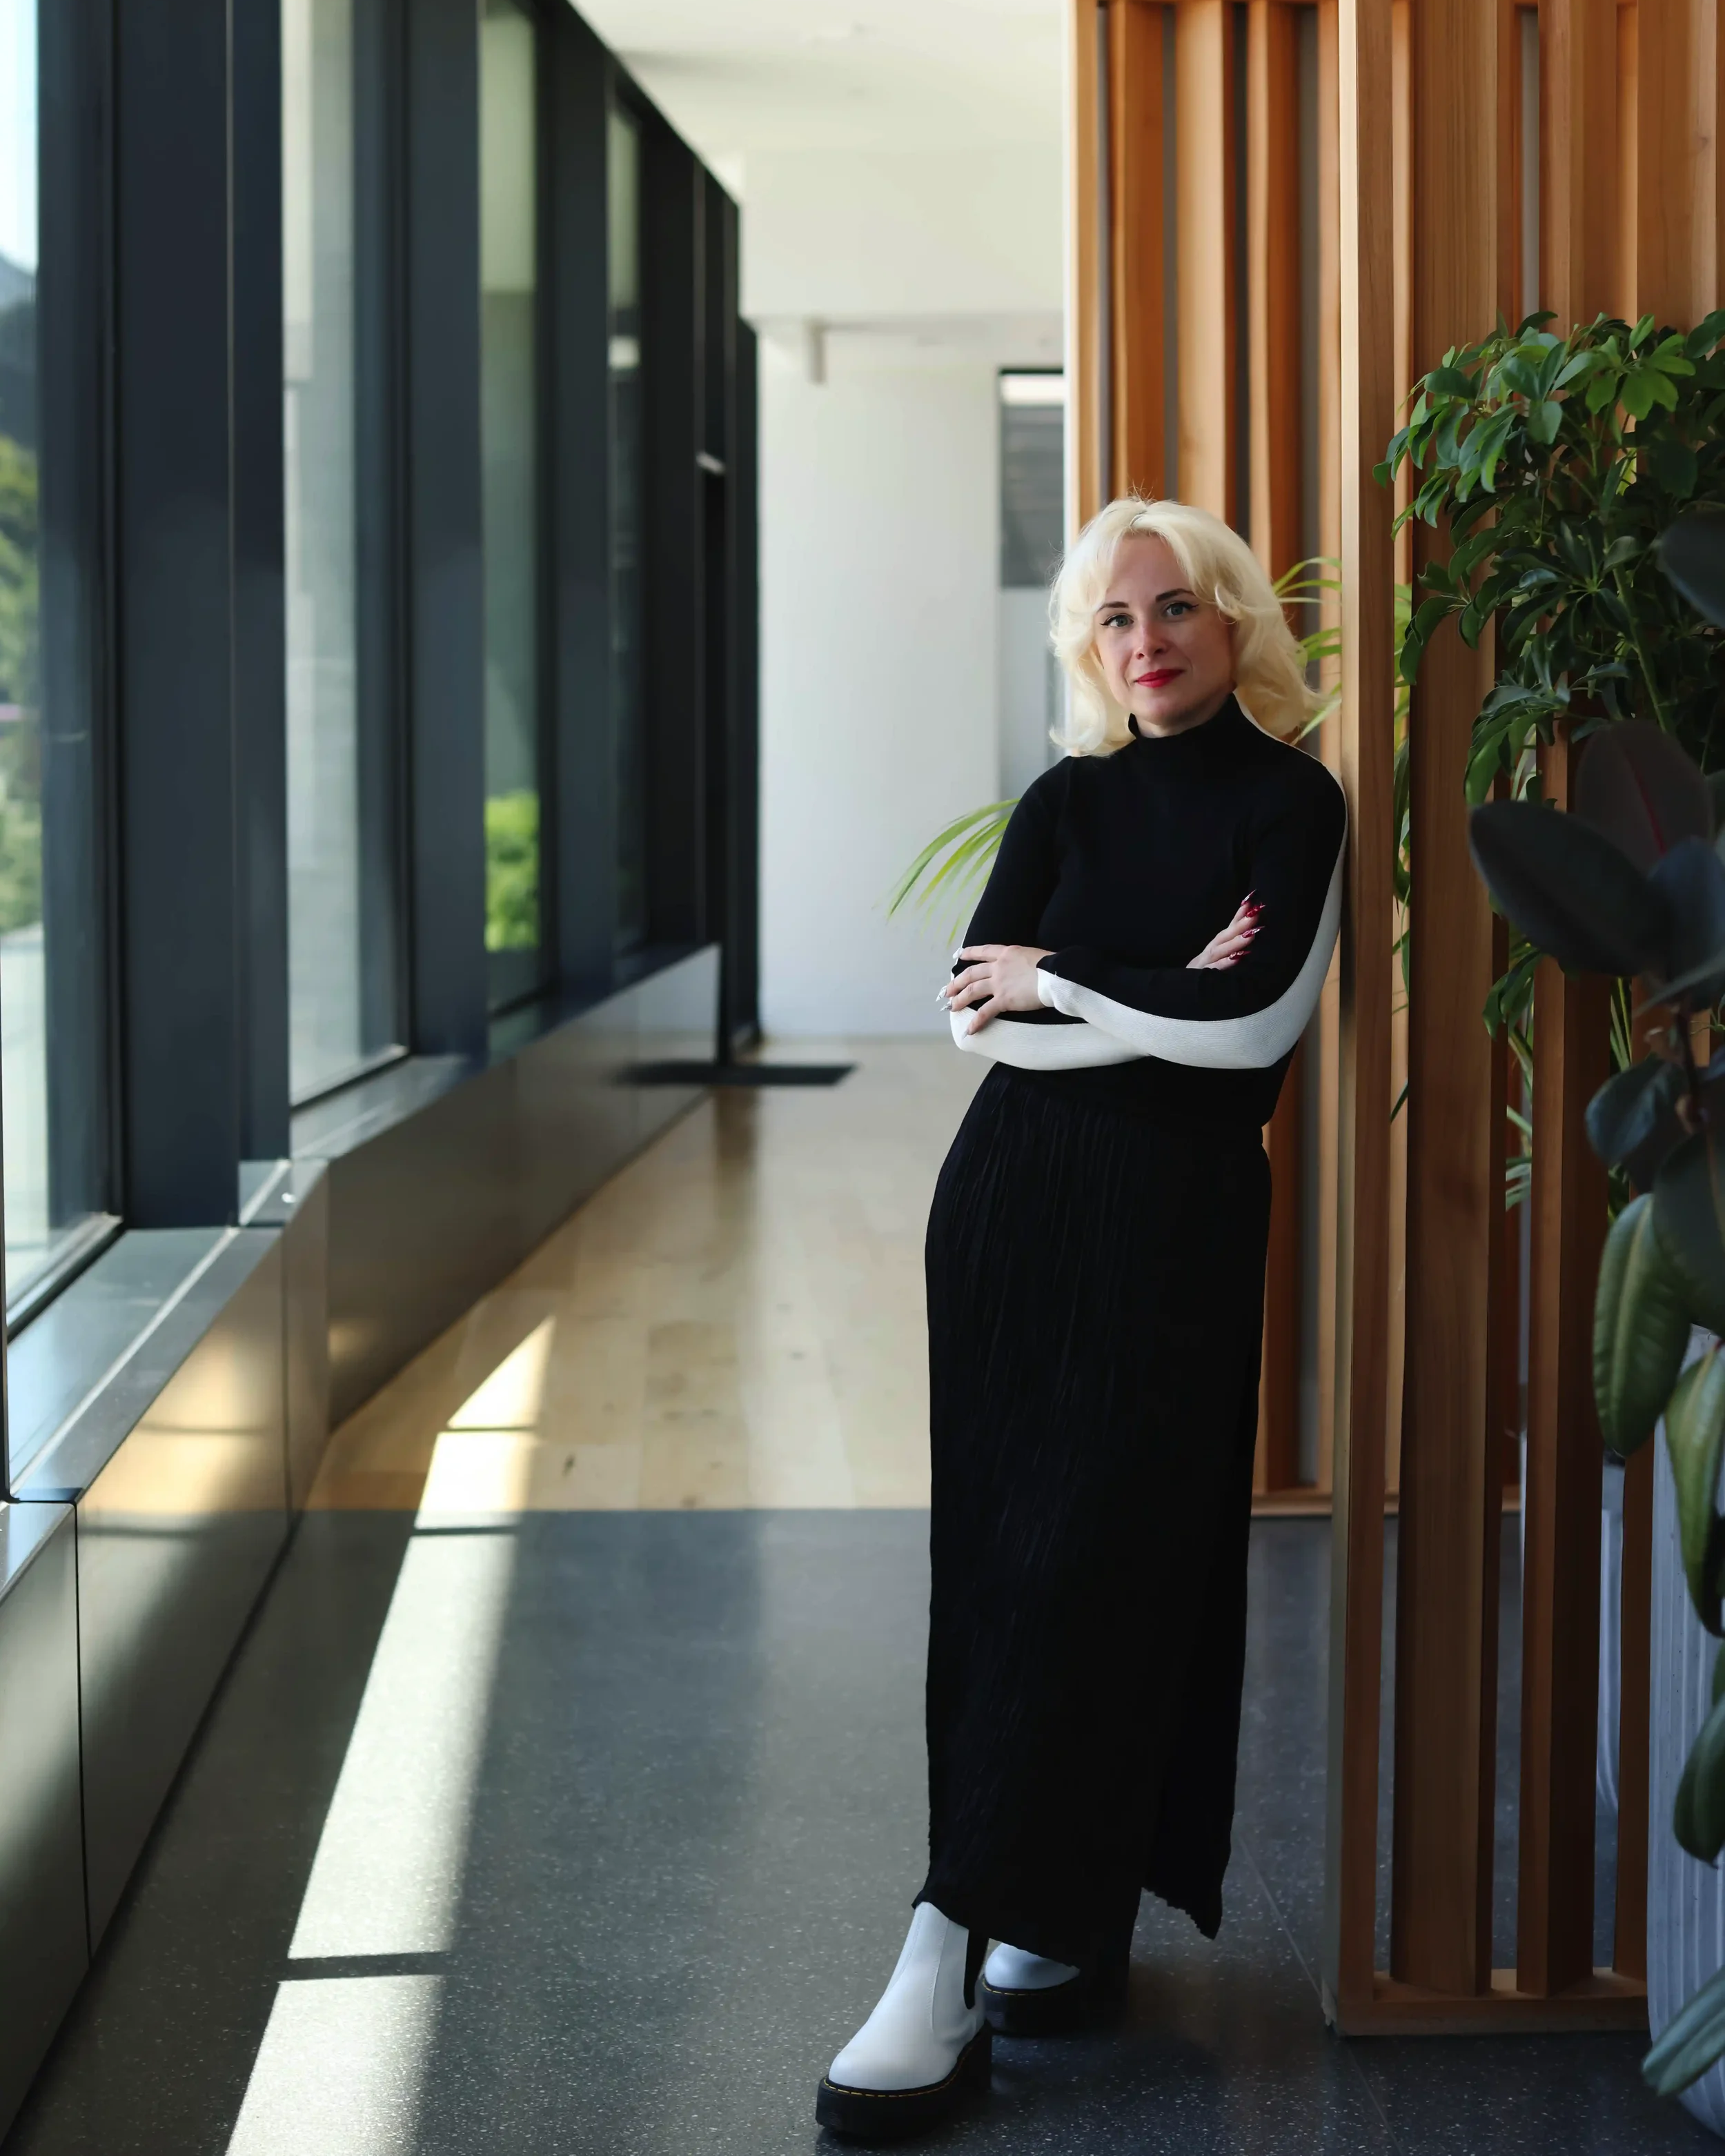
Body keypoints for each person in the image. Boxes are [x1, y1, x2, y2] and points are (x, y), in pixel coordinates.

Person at [814, 498, 1348, 2141]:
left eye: (1173, 607)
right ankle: (942, 1932)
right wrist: (1107, 997)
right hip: (1013, 1207)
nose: (1145, 643)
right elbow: (975, 1015)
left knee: (1124, 1556)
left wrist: (1066, 981)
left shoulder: (1289, 803)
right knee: (1000, 1558)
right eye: (1113, 622)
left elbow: (1248, 1019)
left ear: (1231, 618)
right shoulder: (1064, 798)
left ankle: (1058, 1904)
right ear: (1087, 647)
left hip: (1179, 1224)